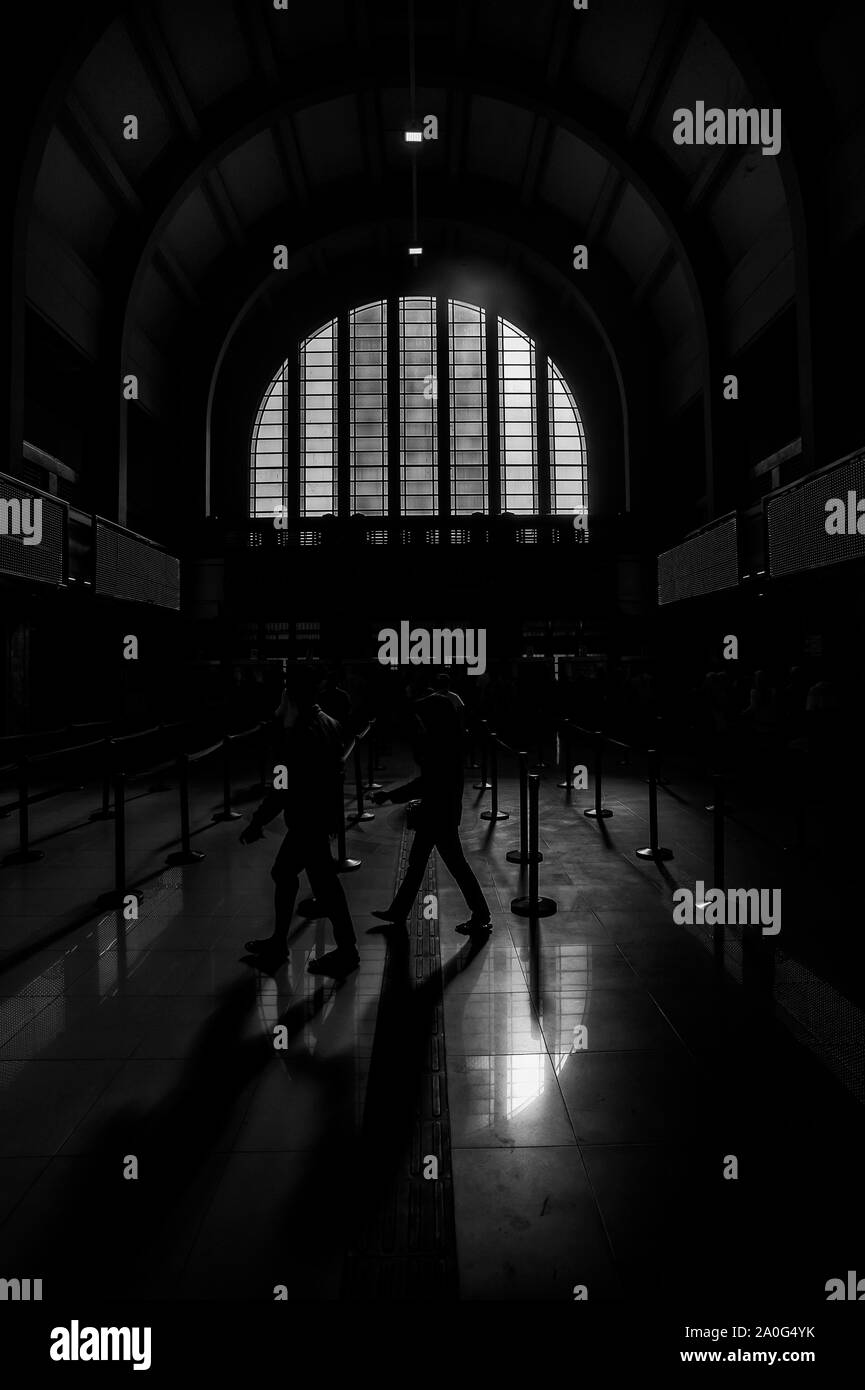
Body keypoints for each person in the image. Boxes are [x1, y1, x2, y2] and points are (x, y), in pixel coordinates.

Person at [239, 667, 360, 977]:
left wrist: (257, 822)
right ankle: (282, 943)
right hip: (320, 817)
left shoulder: (297, 733)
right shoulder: (329, 724)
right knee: (295, 875)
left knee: (319, 884)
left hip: (307, 820)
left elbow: (282, 787)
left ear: (290, 696)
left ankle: (344, 951)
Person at [372, 691, 491, 935]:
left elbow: (426, 783)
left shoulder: (439, 745)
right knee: (426, 863)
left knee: (449, 864)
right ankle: (398, 910)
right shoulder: (449, 741)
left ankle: (481, 913)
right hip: (441, 812)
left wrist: (390, 795)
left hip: (437, 815)